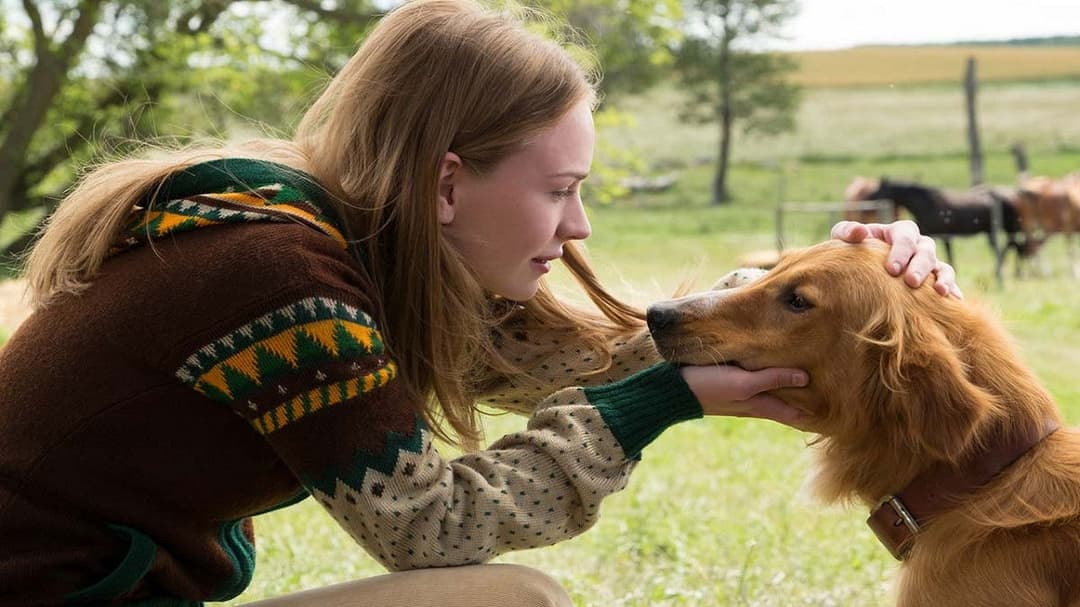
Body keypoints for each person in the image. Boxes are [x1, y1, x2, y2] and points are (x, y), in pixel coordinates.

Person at [0, 1, 959, 605]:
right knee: (508, 602)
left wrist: (824, 283)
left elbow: (592, 353)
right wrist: (672, 394)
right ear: (449, 184)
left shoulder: (347, 243)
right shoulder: (281, 279)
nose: (577, 225)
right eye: (558, 189)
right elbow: (433, 529)